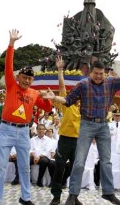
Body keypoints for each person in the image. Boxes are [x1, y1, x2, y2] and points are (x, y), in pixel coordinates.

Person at [45, 59, 120, 205]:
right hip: (86, 124)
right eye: (96, 73)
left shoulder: (111, 82)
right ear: (90, 72)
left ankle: (108, 192)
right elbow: (68, 99)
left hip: (104, 125)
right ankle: (73, 194)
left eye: (101, 74)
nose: (99, 76)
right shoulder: (83, 84)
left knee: (106, 161)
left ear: (105, 73)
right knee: (79, 162)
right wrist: (54, 97)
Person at [0, 29, 52, 205]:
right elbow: (8, 66)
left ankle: (25, 198)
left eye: (29, 79)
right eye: (24, 78)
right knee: (1, 167)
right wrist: (11, 44)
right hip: (7, 129)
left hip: (24, 132)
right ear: (18, 77)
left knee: (24, 167)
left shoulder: (34, 93)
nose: (26, 81)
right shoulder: (11, 84)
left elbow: (46, 107)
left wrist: (49, 100)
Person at [50, 55, 82, 205]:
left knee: (76, 171)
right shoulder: (66, 104)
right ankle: (56, 195)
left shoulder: (86, 110)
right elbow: (62, 87)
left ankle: (74, 196)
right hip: (64, 140)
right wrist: (60, 69)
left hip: (78, 142)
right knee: (59, 168)